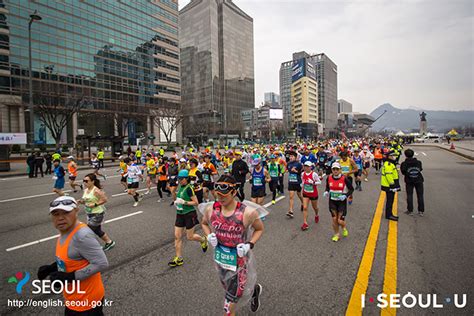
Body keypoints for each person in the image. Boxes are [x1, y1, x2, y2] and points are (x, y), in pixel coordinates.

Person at [201, 175, 264, 315]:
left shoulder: (247, 213)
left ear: (234, 192)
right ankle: (254, 291)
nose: (220, 198)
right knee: (228, 289)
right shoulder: (211, 209)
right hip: (220, 260)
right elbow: (204, 223)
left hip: (239, 262)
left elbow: (259, 229)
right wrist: (209, 235)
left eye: (224, 195)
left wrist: (249, 244)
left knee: (229, 304)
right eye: (217, 195)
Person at [37, 196, 108, 315]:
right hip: (74, 299)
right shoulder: (66, 230)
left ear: (76, 211)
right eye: (55, 214)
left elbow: (101, 263)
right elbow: (73, 258)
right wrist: (52, 268)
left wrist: (68, 277)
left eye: (66, 212)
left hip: (87, 303)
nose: (60, 218)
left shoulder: (82, 236)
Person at [168, 169, 208, 267]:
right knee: (177, 236)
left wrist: (184, 202)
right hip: (180, 213)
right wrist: (176, 199)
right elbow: (178, 198)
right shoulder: (180, 186)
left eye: (182, 179)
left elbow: (196, 202)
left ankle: (203, 240)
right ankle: (179, 258)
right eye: (179, 178)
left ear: (186, 179)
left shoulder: (189, 188)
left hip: (189, 214)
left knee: (189, 237)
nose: (180, 180)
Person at [78, 173, 115, 251]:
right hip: (89, 213)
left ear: (93, 181)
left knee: (88, 231)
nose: (84, 182)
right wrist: (80, 202)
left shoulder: (96, 190)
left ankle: (91, 248)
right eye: (83, 181)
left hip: (97, 214)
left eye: (86, 181)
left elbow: (105, 199)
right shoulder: (86, 190)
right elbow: (87, 201)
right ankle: (109, 242)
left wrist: (95, 204)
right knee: (97, 230)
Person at [323, 162, 354, 242]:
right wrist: (326, 191)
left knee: (340, 221)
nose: (335, 171)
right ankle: (336, 234)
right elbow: (327, 187)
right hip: (332, 201)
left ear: (340, 170)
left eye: (337, 169)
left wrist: (345, 195)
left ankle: (343, 227)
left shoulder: (344, 178)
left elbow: (351, 189)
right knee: (334, 219)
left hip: (341, 202)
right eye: (334, 169)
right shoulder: (329, 178)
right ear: (331, 170)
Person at [400, 149, 425, 216]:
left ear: (405, 155)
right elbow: (420, 169)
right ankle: (421, 211)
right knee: (420, 195)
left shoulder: (404, 163)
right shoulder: (418, 162)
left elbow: (403, 172)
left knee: (409, 195)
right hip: (419, 179)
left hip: (409, 180)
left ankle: (410, 210)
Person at [300, 161, 321, 231]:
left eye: (308, 166)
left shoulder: (314, 174)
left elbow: (319, 182)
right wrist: (302, 185)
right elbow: (303, 181)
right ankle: (305, 223)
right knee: (305, 207)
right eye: (305, 166)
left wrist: (313, 182)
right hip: (305, 193)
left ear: (311, 167)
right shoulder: (303, 173)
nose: (306, 167)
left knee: (315, 207)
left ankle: (316, 214)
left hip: (313, 194)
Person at [381, 151, 400, 221]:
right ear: (389, 156)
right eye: (392, 155)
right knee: (390, 200)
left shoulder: (390, 163)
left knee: (391, 200)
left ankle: (389, 214)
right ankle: (389, 215)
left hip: (389, 185)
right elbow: (388, 175)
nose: (394, 157)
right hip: (389, 185)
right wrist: (393, 185)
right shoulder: (388, 164)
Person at [286, 151, 303, 218]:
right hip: (291, 182)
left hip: (297, 182)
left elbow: (302, 172)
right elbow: (289, 170)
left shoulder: (298, 164)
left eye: (292, 156)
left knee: (299, 195)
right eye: (290, 156)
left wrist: (296, 171)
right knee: (291, 197)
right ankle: (291, 211)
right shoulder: (288, 164)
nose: (291, 157)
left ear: (295, 157)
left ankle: (302, 202)